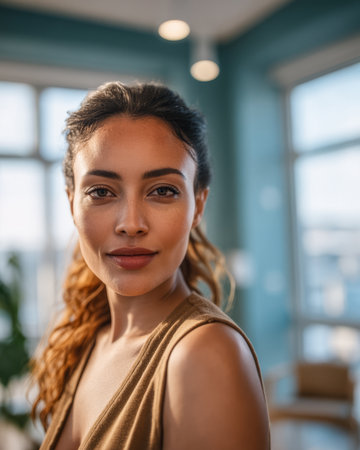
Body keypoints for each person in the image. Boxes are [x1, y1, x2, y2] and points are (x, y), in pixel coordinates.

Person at [31, 82, 270, 449]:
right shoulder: (89, 337)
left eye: (162, 190)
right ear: (71, 203)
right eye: (101, 192)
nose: (130, 223)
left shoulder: (203, 356)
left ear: (198, 207)